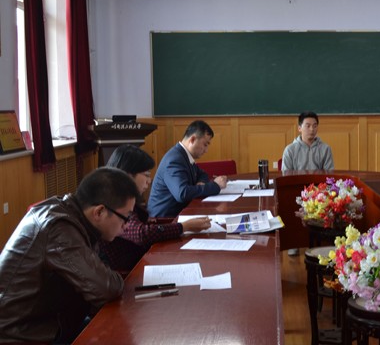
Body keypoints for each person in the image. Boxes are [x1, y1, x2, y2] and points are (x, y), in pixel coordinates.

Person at [0, 167, 138, 344]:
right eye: (126, 217)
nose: (127, 225)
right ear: (99, 212)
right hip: (22, 337)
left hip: (53, 325)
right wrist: (113, 279)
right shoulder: (59, 228)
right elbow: (105, 288)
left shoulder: (73, 216)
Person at [99, 145, 212, 272]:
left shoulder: (123, 196)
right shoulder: (115, 201)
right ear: (128, 174)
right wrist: (184, 226)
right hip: (129, 272)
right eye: (146, 175)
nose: (149, 181)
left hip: (143, 262)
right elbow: (141, 234)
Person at [148, 120, 228, 218]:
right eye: (205, 144)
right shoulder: (175, 159)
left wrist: (201, 183)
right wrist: (215, 186)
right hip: (165, 220)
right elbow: (182, 193)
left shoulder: (183, 154)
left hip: (180, 214)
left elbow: (202, 174)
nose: (206, 150)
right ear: (192, 139)